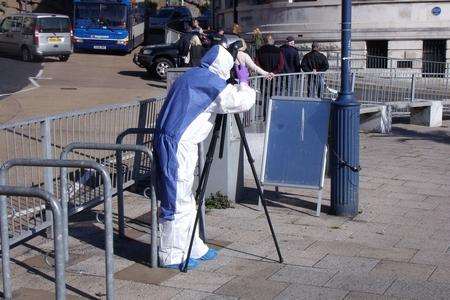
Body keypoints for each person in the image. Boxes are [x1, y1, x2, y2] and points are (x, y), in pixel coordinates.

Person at [154, 43, 256, 270]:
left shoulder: (193, 75)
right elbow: (241, 102)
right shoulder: (209, 82)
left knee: (186, 198)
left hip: (176, 141)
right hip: (178, 144)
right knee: (177, 199)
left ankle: (193, 246)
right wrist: (244, 82)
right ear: (225, 65)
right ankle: (171, 254)